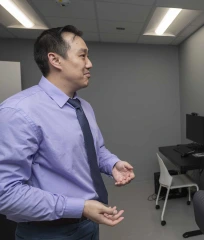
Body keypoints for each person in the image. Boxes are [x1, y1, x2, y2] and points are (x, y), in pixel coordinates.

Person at [0, 25, 135, 240]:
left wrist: (112, 164)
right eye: (82, 56)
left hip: (89, 223)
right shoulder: (18, 112)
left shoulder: (84, 107)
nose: (89, 63)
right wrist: (78, 207)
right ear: (55, 60)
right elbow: (5, 193)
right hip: (47, 232)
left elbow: (94, 150)